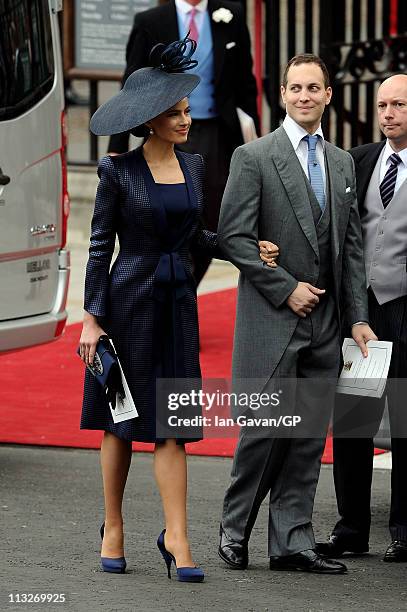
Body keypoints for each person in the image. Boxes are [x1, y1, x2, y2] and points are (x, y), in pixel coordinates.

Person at [78, 37, 274, 579]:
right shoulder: (117, 172)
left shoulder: (191, 167)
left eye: (187, 110)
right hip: (127, 304)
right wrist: (92, 319)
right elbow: (100, 246)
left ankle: (177, 538)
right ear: (151, 122)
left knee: (176, 425)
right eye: (176, 113)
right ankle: (113, 526)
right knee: (119, 422)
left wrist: (244, 245)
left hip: (177, 309)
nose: (187, 120)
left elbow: (197, 238)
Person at [217, 53, 377, 575]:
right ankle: (234, 529)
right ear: (282, 95)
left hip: (328, 323)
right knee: (263, 433)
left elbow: (351, 248)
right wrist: (285, 290)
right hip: (272, 317)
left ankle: (291, 541)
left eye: (313, 88)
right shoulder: (253, 157)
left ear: (328, 95)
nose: (304, 96)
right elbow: (235, 238)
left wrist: (356, 316)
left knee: (308, 436)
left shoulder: (342, 162)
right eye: (294, 88)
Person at [316, 74, 407, 564]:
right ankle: (351, 528)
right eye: (382, 105)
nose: (388, 113)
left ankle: (405, 529)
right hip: (362, 310)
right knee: (352, 421)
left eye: (399, 105)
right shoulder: (360, 160)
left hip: (405, 306)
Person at [107, 0, 260, 286]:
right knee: (168, 215)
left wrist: (257, 143)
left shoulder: (231, 15)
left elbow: (245, 82)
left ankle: (184, 285)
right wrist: (117, 144)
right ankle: (167, 286)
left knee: (212, 218)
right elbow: (131, 83)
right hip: (166, 132)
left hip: (216, 133)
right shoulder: (150, 20)